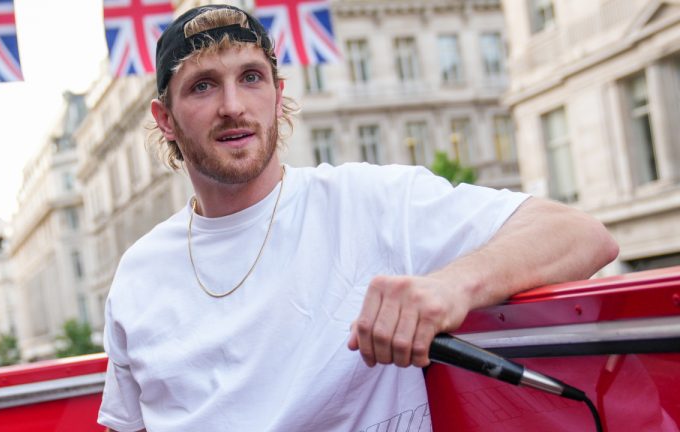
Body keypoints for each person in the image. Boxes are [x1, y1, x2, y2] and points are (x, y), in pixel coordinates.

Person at [97, 4, 619, 432]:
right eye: (203, 86)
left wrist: (451, 288)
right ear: (164, 119)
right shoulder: (138, 274)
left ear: (278, 98)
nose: (233, 105)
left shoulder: (369, 201)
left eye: (251, 77)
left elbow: (582, 236)